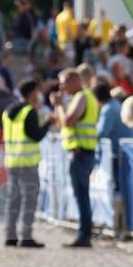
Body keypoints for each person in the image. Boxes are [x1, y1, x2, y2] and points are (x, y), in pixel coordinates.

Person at [2, 78, 53, 248]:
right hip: (27, 163)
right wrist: (48, 123)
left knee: (13, 200)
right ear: (32, 93)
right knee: (29, 200)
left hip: (11, 161)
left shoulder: (8, 111)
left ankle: (10, 236)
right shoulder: (29, 112)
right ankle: (26, 236)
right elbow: (36, 135)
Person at [52, 67, 99, 248]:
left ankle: (84, 235)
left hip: (81, 153)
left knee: (81, 196)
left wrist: (58, 105)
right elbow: (62, 123)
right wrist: (59, 108)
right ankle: (84, 233)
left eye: (63, 83)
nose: (61, 87)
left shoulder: (81, 97)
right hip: (81, 152)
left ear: (75, 81)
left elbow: (68, 121)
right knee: (81, 195)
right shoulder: (79, 97)